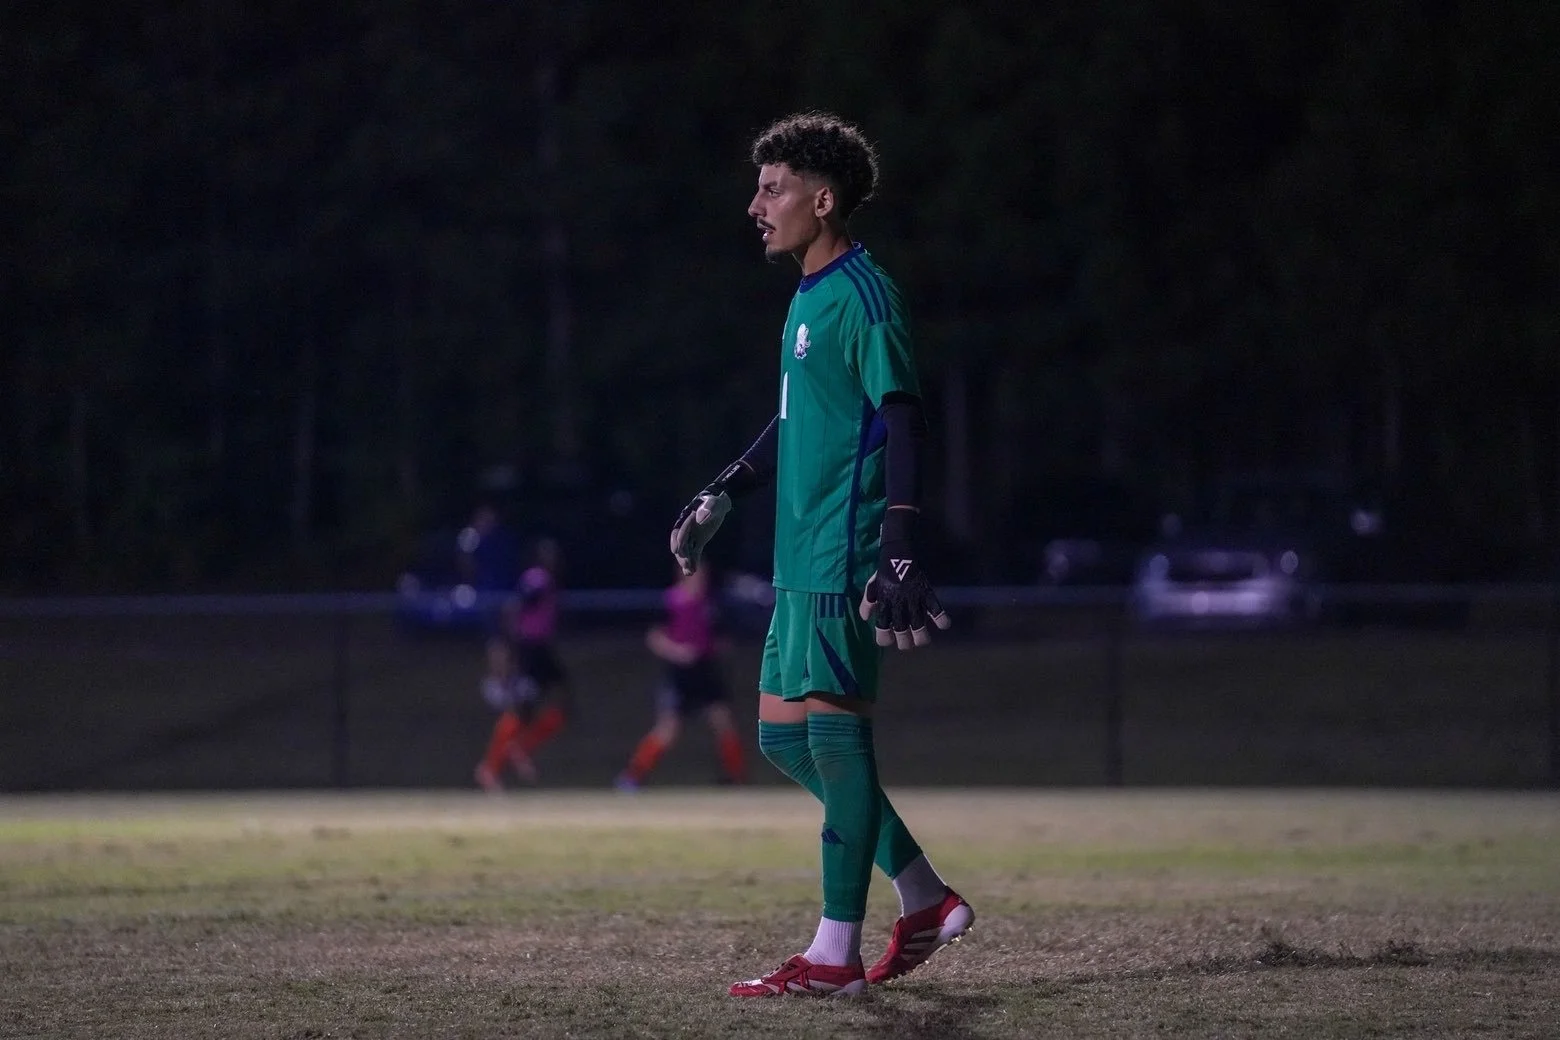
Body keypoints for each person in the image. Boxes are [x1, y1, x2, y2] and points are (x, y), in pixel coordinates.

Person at [669, 112, 973, 998]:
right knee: (779, 738)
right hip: (796, 557)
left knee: (838, 745)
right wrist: (722, 490)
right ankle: (921, 895)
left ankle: (834, 956)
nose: (756, 205)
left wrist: (901, 543)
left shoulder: (867, 294)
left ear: (822, 197)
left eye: (773, 188)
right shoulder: (808, 294)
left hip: (844, 556)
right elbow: (800, 420)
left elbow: (903, 414)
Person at [614, 564, 747, 791]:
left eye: (704, 575)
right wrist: (678, 652)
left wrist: (718, 646)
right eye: (696, 575)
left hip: (705, 672)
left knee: (724, 722)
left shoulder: (709, 604)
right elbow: (655, 637)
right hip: (679, 675)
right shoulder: (671, 601)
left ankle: (736, 779)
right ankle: (632, 777)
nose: (701, 580)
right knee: (668, 730)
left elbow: (720, 636)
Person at [473, 537, 571, 790]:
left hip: (540, 649)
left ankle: (515, 751)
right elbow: (519, 603)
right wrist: (509, 643)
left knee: (554, 705)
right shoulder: (537, 578)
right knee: (523, 709)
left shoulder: (542, 579)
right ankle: (493, 766)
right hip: (532, 649)